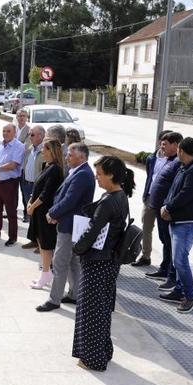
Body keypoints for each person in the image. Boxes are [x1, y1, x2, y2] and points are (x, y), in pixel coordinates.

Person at [72, 155, 134, 371]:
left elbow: (92, 231)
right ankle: (103, 352)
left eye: (99, 174)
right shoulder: (121, 196)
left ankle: (93, 359)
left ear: (111, 175)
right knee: (102, 309)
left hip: (97, 262)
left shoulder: (108, 201)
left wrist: (77, 248)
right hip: (110, 261)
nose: (96, 178)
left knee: (91, 312)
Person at [36, 142, 95, 312]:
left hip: (71, 225)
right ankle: (75, 294)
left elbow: (70, 200)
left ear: (82, 157)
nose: (66, 157)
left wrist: (52, 213)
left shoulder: (83, 174)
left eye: (70, 154)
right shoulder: (76, 171)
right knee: (71, 262)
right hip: (69, 222)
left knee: (60, 262)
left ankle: (54, 300)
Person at [158, 137, 193, 314]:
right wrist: (166, 205)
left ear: (181, 151)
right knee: (177, 259)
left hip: (188, 222)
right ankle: (179, 290)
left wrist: (169, 207)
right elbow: (174, 190)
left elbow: (186, 194)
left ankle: (190, 296)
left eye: (178, 149)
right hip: (179, 220)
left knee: (180, 260)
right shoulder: (185, 166)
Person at [144, 132, 184, 284]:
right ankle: (165, 268)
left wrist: (168, 206)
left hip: (167, 210)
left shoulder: (179, 163)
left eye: (165, 144)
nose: (162, 147)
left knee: (169, 241)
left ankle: (170, 273)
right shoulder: (163, 159)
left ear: (176, 145)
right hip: (158, 207)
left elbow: (177, 188)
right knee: (164, 239)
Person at [26, 139, 65, 289]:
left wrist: (32, 206)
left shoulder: (55, 169)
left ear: (52, 151)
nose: (42, 151)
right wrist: (30, 201)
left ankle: (46, 273)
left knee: (46, 244)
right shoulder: (47, 166)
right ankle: (46, 273)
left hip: (44, 211)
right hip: (37, 209)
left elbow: (46, 193)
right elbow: (37, 187)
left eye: (45, 149)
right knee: (41, 242)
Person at [133, 131, 172, 267]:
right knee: (147, 226)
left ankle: (167, 262)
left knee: (165, 232)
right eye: (162, 143)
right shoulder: (151, 158)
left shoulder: (174, 160)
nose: (163, 147)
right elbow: (150, 176)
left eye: (166, 144)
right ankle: (145, 256)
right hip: (149, 197)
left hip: (164, 201)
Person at [0, 123, 24, 246]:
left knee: (11, 211)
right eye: (3, 131)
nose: (5, 133)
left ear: (14, 133)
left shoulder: (19, 146)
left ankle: (12, 237)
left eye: (8, 131)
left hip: (9, 183)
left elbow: (14, 164)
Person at [20, 125, 45, 231]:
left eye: (32, 134)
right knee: (30, 212)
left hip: (37, 187)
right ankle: (33, 238)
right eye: (29, 134)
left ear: (40, 136)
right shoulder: (30, 148)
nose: (30, 136)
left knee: (38, 214)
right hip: (26, 184)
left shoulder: (45, 151)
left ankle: (38, 241)